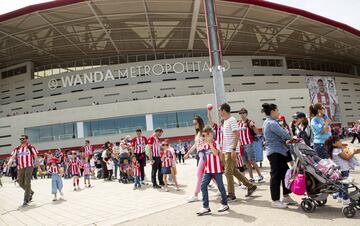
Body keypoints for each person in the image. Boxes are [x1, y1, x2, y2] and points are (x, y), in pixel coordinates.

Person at [219, 103, 257, 202]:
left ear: (223, 110)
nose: (219, 112)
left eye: (220, 110)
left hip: (231, 150)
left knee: (228, 173)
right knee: (233, 171)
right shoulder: (225, 121)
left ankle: (231, 195)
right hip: (226, 150)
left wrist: (233, 150)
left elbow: (236, 135)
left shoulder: (231, 120)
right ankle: (250, 186)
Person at [262, 103, 297, 209]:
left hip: (280, 152)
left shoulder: (271, 122)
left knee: (285, 174)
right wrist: (292, 137)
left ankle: (286, 196)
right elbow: (284, 134)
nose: (278, 112)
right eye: (277, 110)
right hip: (275, 153)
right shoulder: (271, 123)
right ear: (272, 111)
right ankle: (275, 200)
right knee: (276, 177)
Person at [197, 126, 229, 216]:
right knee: (203, 186)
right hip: (208, 170)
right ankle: (205, 207)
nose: (206, 137)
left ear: (211, 134)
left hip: (217, 169)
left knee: (221, 187)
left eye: (207, 134)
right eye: (204, 135)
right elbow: (203, 157)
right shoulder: (204, 145)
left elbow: (216, 153)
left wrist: (211, 144)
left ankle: (224, 204)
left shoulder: (216, 143)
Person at [324, 135, 360, 205]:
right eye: (339, 141)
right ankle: (345, 199)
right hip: (343, 170)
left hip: (343, 169)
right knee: (345, 185)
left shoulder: (338, 149)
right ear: (334, 144)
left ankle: (340, 197)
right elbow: (347, 157)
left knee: (342, 185)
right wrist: (352, 151)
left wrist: (353, 151)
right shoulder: (336, 150)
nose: (341, 141)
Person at [7, 135, 38, 207]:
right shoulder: (17, 149)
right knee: (20, 183)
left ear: (27, 139)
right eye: (21, 139)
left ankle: (26, 200)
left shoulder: (31, 147)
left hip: (29, 166)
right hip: (20, 167)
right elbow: (12, 157)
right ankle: (30, 192)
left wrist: (38, 166)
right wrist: (8, 164)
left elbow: (36, 156)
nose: (22, 140)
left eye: (23, 139)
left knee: (27, 182)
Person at [238, 108, 264, 183]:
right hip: (242, 145)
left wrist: (253, 126)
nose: (242, 114)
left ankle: (260, 175)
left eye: (243, 113)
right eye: (240, 113)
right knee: (246, 162)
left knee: (252, 161)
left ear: (246, 114)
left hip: (249, 144)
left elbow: (257, 132)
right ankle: (251, 177)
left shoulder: (249, 122)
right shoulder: (238, 123)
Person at [184, 115, 206, 202]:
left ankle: (195, 195)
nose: (194, 125)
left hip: (204, 154)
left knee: (198, 174)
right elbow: (195, 145)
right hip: (200, 154)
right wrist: (187, 153)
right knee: (209, 174)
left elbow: (209, 141)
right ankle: (220, 190)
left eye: (195, 123)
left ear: (199, 122)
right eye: (193, 123)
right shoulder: (198, 133)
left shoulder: (204, 131)